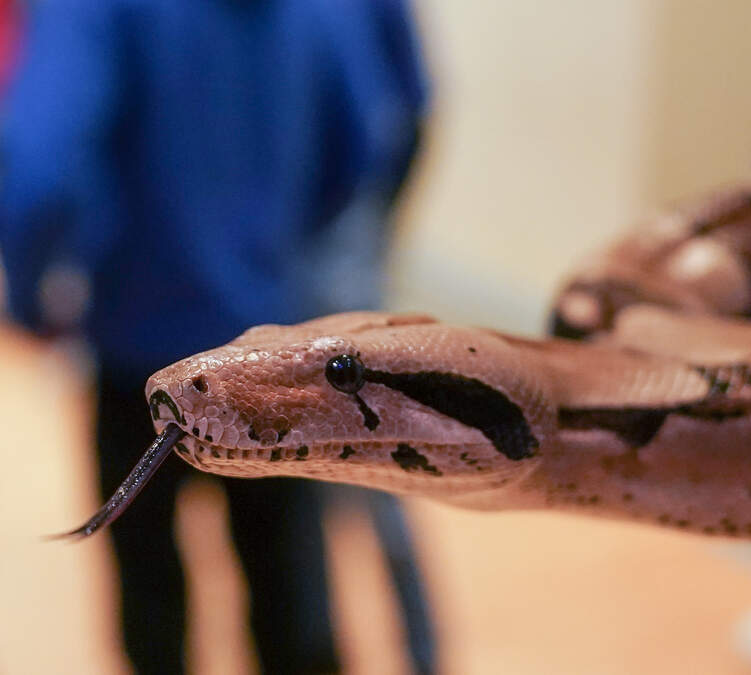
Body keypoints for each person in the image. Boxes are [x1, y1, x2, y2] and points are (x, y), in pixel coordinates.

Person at [0, 1, 435, 673]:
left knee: (153, 607)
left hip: (139, 360)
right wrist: (277, 246)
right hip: (279, 357)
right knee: (292, 601)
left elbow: (37, 166)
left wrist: (33, 296)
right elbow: (366, 138)